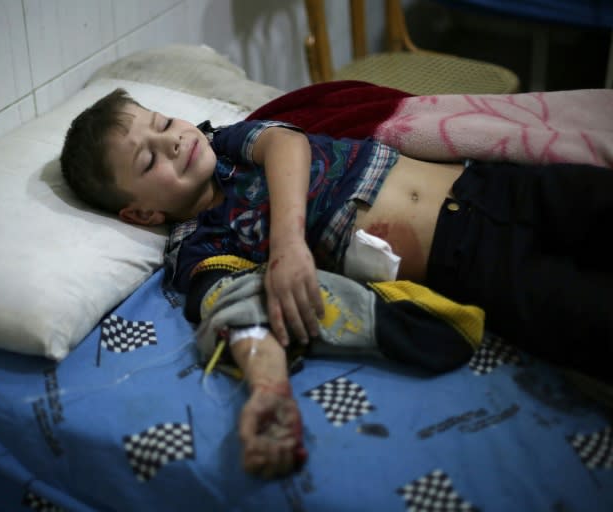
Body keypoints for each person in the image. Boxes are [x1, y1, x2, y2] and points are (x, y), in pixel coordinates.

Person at [60, 88, 612, 478]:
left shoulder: (226, 143)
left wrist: (288, 244)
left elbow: (287, 144)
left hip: (496, 185)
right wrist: (269, 388)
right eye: (148, 157)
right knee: (589, 318)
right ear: (140, 216)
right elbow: (233, 310)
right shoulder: (198, 244)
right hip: (474, 264)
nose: (174, 141)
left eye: (163, 124)